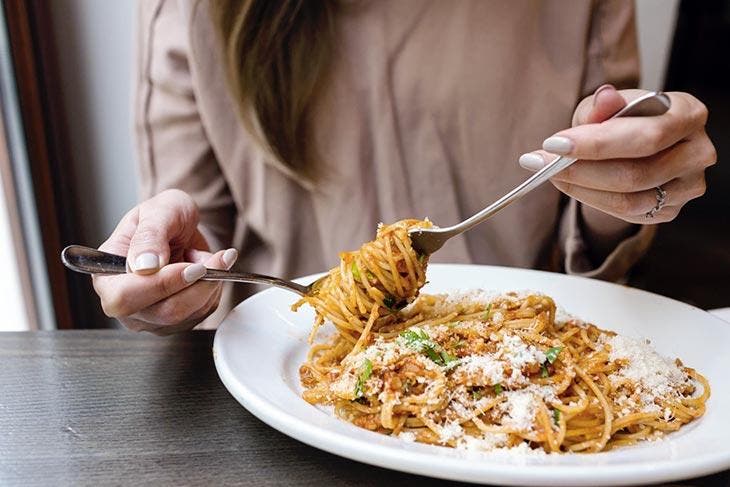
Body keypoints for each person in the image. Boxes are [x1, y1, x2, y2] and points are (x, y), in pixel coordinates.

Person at [92, 0, 716, 335]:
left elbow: (595, 228)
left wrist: (628, 183)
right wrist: (170, 280)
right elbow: (196, 238)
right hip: (288, 368)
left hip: (517, 355)